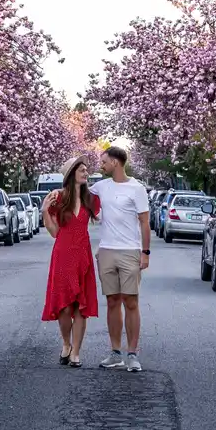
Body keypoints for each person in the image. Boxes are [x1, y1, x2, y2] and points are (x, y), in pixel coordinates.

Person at [92, 146, 150, 373]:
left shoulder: (137, 189)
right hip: (106, 250)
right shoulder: (101, 186)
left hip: (130, 251)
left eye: (104, 161)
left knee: (131, 301)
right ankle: (115, 352)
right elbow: (79, 193)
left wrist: (145, 253)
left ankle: (132, 354)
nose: (101, 165)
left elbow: (145, 222)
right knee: (113, 301)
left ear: (115, 162)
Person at [41, 155, 101, 367]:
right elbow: (54, 232)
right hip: (63, 256)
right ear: (71, 174)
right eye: (82, 170)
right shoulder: (58, 198)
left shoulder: (91, 199)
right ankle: (66, 344)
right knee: (65, 307)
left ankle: (76, 352)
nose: (86, 173)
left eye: (86, 170)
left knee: (80, 308)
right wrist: (44, 212)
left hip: (83, 256)